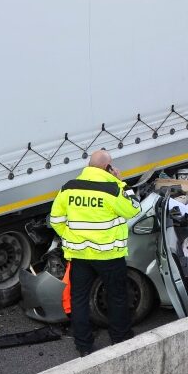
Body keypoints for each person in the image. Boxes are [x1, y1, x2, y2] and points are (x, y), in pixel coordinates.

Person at [49, 150, 140, 356]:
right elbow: (134, 209)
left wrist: (71, 238)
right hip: (109, 256)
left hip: (80, 256)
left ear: (89, 165)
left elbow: (55, 219)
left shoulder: (69, 187)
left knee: (79, 299)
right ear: (108, 167)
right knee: (117, 296)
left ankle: (83, 345)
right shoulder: (113, 189)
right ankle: (120, 338)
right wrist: (122, 183)